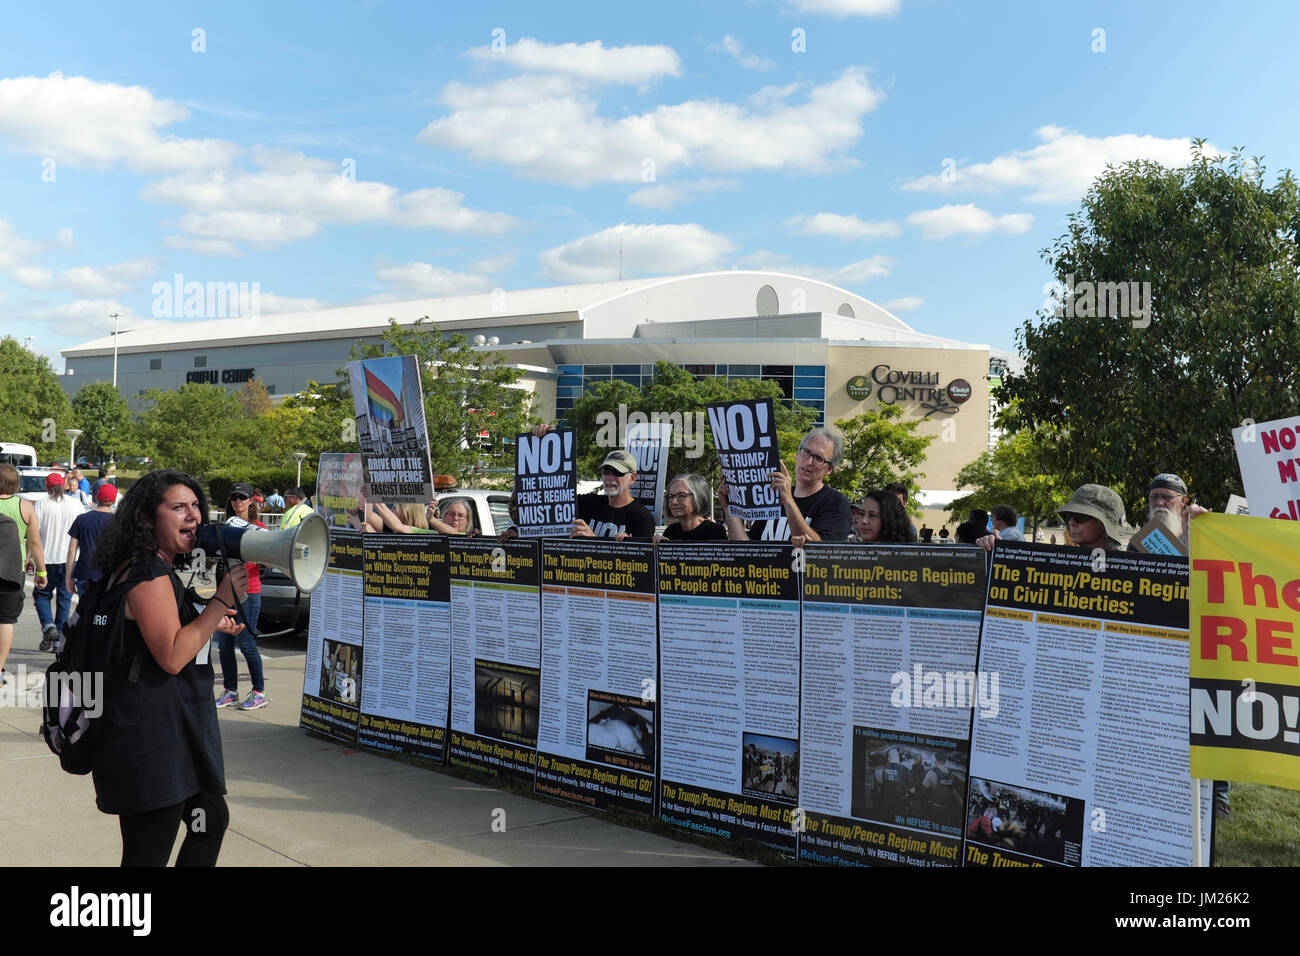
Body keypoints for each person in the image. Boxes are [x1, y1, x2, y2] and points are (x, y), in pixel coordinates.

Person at [92, 469, 247, 866]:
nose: (193, 515)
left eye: (195, 505)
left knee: (208, 820)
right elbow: (173, 656)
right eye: (178, 507)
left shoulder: (152, 568)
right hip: (149, 741)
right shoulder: (148, 574)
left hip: (171, 735)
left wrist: (211, 618)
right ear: (146, 517)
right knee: (148, 854)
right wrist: (220, 600)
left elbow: (164, 635)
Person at [722, 426, 852, 544]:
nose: (809, 462)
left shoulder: (836, 503)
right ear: (797, 455)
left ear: (829, 469)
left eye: (819, 458)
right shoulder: (773, 497)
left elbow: (819, 552)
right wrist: (729, 508)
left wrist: (788, 501)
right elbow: (747, 548)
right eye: (806, 452)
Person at [213, 483, 269, 711]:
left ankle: (259, 692)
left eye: (242, 498)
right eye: (234, 498)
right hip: (227, 592)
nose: (237, 502)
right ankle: (230, 691)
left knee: (246, 644)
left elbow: (264, 560)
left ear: (251, 501)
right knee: (225, 644)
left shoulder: (259, 528)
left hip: (249, 592)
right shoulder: (226, 527)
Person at [0, 464, 46, 684]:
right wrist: (41, 571)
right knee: (6, 620)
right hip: (11, 570)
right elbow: (35, 543)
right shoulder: (25, 507)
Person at [33, 472, 85, 651]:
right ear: (63, 485)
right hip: (70, 559)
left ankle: (49, 626)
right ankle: (58, 639)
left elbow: (34, 534)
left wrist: (31, 557)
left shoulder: (41, 504)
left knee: (41, 594)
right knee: (64, 598)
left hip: (46, 558)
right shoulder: (75, 504)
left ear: (47, 486)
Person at [573, 449, 655, 540]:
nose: (610, 477)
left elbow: (641, 553)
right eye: (606, 471)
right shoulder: (588, 503)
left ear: (632, 478)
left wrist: (593, 540)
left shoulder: (641, 517)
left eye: (617, 472)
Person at [1129, 473, 1208, 551]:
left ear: (1183, 500)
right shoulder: (1141, 541)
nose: (1159, 503)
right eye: (1154, 497)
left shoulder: (1193, 535)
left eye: (1167, 497)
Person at [67, 483, 118, 598]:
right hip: (109, 575)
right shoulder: (118, 522)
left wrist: (69, 577)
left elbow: (71, 551)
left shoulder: (82, 519)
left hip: (85, 573)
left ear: (97, 497)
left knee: (85, 611)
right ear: (114, 500)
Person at [657, 474, 727, 542]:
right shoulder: (671, 531)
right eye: (671, 496)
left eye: (681, 495)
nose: (674, 502)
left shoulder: (715, 531)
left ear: (698, 497)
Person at [849, 489, 914, 544]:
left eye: (872, 515)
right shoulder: (853, 546)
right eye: (862, 513)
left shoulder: (905, 554)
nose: (864, 521)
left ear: (890, 519)